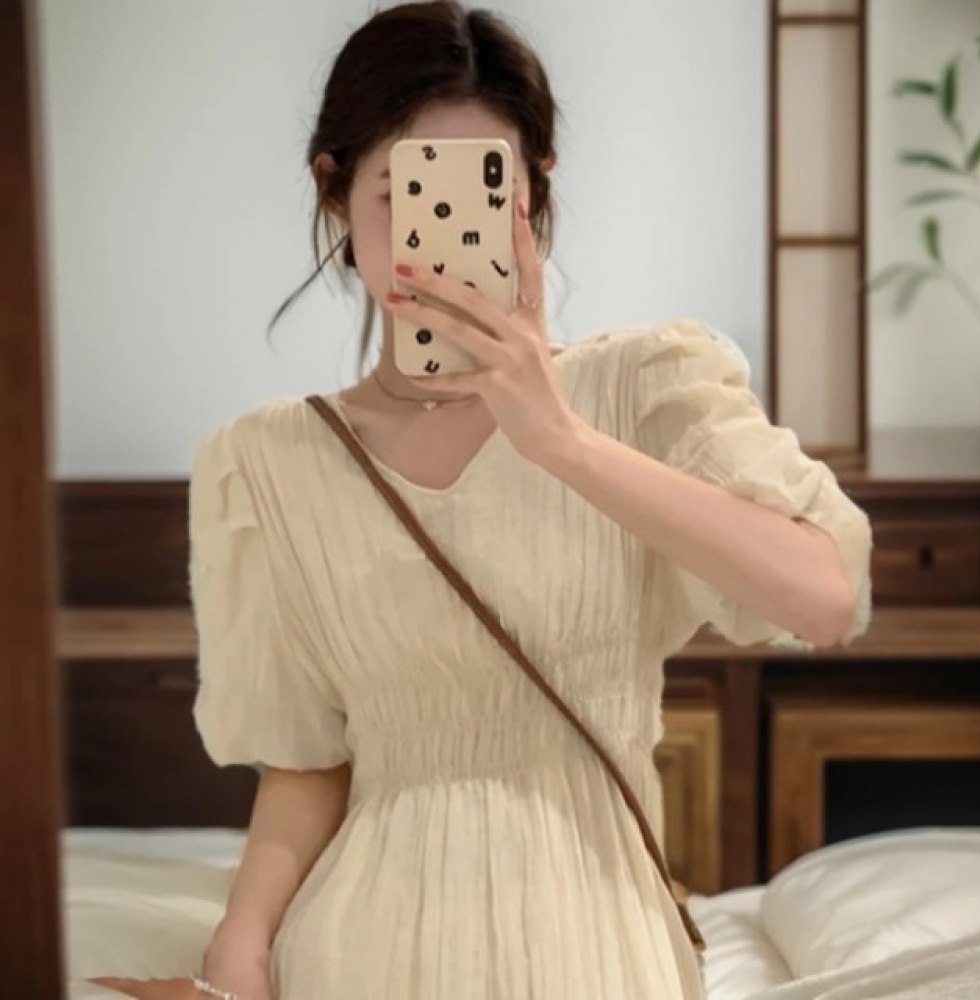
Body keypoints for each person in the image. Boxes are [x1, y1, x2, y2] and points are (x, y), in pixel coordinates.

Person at [180, 3, 872, 998]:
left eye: (483, 191)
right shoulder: (269, 463)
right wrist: (240, 946)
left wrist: (562, 442)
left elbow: (823, 596)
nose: (439, 237)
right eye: (402, 195)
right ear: (333, 192)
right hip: (360, 938)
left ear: (533, 191)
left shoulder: (646, 386)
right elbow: (307, 762)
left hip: (595, 937)